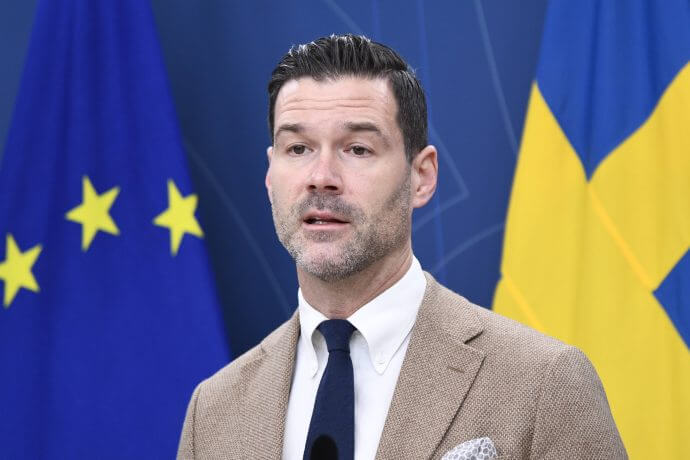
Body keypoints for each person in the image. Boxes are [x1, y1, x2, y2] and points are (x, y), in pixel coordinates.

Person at [177, 34, 626, 460]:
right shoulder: (213, 411)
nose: (321, 176)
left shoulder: (543, 382)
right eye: (298, 149)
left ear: (422, 176)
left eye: (357, 149)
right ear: (270, 175)